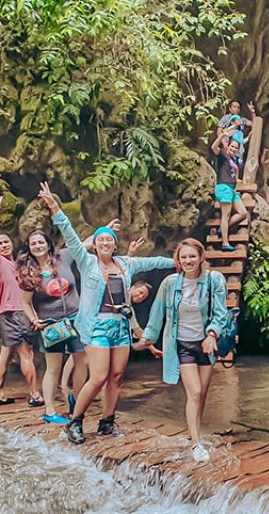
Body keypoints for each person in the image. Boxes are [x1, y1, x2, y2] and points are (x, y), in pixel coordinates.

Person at [38, 182, 175, 445]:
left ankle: (107, 421)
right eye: (100, 240)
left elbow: (155, 262)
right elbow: (70, 234)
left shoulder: (126, 264)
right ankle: (75, 421)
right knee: (98, 375)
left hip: (120, 327)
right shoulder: (87, 261)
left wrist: (177, 262)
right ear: (96, 245)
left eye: (108, 240)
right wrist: (55, 208)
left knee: (116, 376)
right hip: (97, 326)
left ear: (114, 246)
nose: (104, 243)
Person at [135, 238, 228, 461]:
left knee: (202, 395)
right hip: (181, 344)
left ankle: (196, 433)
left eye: (192, 256)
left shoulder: (214, 280)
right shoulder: (170, 283)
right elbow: (157, 311)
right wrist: (148, 338)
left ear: (201, 257)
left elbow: (220, 312)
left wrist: (212, 334)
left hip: (205, 344)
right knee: (194, 392)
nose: (188, 260)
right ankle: (196, 443)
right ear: (178, 259)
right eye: (183, 257)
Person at [18, 230, 88, 424]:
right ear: (30, 249)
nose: (38, 246)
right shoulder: (29, 273)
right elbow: (25, 303)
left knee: (82, 361)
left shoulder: (64, 257)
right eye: (34, 244)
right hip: (51, 325)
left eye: (41, 242)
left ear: (48, 244)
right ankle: (50, 411)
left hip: (76, 319)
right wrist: (34, 320)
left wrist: (104, 231)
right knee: (53, 368)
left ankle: (77, 401)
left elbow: (85, 244)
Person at [0, 211, 43, 407]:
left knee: (6, 352)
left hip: (14, 312)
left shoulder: (13, 263)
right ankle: (34, 394)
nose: (4, 245)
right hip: (12, 312)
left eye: (6, 242)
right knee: (26, 353)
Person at [211, 133, 248, 252]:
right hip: (223, 188)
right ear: (228, 146)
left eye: (236, 147)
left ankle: (222, 229)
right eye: (232, 146)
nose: (233, 149)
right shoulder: (223, 154)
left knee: (243, 213)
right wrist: (222, 136)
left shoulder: (233, 160)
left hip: (232, 190)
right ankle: (225, 243)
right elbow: (213, 147)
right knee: (225, 216)